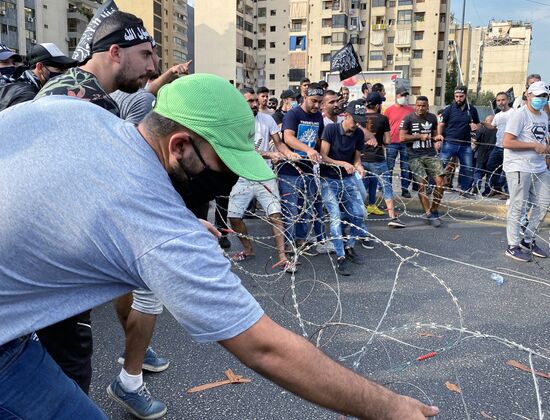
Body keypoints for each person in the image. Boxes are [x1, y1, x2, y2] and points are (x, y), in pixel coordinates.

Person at [0, 73, 439, 420]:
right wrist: (390, 408)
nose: (228, 180)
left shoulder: (81, 115)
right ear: (180, 145)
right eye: (223, 165)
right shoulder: (158, 227)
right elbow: (264, 348)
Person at [35, 11, 171, 419]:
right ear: (115, 52)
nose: (152, 67)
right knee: (70, 372)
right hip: (55, 259)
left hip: (42, 251)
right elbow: (105, 190)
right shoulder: (93, 103)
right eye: (146, 55)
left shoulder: (61, 88)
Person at [228, 88, 299, 273]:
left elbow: (279, 142)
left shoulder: (267, 120)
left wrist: (288, 153)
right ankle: (248, 249)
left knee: (275, 215)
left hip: (265, 175)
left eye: (254, 101)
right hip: (242, 176)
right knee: (234, 217)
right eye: (249, 101)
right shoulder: (234, 124)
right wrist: (269, 153)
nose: (254, 104)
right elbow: (242, 151)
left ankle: (282, 257)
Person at [319, 99, 368, 276]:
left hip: (347, 179)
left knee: (359, 213)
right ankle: (340, 256)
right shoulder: (331, 129)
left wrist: (359, 166)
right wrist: (342, 163)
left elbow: (356, 159)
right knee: (335, 216)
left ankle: (350, 246)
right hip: (328, 179)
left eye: (360, 121)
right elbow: (323, 156)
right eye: (354, 120)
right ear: (346, 116)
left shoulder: (358, 134)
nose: (356, 124)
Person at [502, 81, 550, 262]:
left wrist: (545, 148)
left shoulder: (544, 115)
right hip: (519, 167)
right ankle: (512, 245)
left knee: (543, 203)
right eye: (537, 96)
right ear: (528, 95)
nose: (540, 99)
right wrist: (533, 146)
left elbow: (542, 137)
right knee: (519, 206)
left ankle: (527, 240)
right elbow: (507, 142)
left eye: (544, 96)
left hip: (539, 166)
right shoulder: (519, 115)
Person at [278, 82, 327, 255]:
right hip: (289, 170)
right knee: (290, 209)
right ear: (305, 97)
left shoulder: (318, 116)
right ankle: (289, 244)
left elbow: (319, 139)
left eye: (320, 102)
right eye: (313, 101)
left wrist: (322, 155)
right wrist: (308, 150)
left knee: (304, 208)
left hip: (308, 169)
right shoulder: (293, 114)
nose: (317, 105)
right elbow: (288, 137)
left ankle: (300, 239)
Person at [361, 92, 406, 228]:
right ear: (377, 105)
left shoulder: (359, 118)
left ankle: (358, 214)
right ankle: (392, 217)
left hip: (361, 158)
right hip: (377, 158)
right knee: (386, 186)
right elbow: (387, 140)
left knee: (360, 187)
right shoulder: (382, 119)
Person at [400, 96, 445, 227]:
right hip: (414, 156)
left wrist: (438, 137)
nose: (420, 108)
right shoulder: (408, 118)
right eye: (418, 105)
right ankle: (428, 213)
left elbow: (435, 133)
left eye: (423, 106)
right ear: (415, 105)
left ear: (427, 106)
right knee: (422, 184)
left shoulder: (432, 117)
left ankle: (434, 210)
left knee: (441, 183)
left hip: (431, 154)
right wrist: (419, 136)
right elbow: (402, 137)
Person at [0, 43, 77, 110]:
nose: (64, 74)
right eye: (59, 69)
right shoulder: (28, 96)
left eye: (66, 70)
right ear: (40, 67)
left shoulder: (38, 89)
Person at [436, 86, 480, 197]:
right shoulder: (449, 109)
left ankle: (465, 191)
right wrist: (439, 135)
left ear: (466, 96)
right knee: (440, 166)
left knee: (468, 168)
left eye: (461, 96)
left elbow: (478, 124)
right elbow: (441, 124)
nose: (458, 99)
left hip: (465, 145)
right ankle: (432, 187)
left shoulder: (472, 109)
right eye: (456, 96)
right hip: (449, 143)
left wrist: (476, 126)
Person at [384, 86, 414, 198]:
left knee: (405, 167)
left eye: (406, 95)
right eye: (402, 95)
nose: (404, 97)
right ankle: (387, 188)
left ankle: (405, 189)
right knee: (389, 167)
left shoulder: (411, 110)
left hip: (405, 142)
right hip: (392, 142)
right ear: (397, 95)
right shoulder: (389, 110)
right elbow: (384, 126)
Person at [486, 91, 514, 197]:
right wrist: (482, 123)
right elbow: (493, 127)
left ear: (508, 101)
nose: (501, 102)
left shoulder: (514, 113)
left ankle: (508, 192)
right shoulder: (497, 115)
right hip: (498, 146)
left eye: (503, 100)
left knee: (508, 170)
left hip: (509, 148)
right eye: (498, 100)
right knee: (490, 166)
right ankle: (496, 188)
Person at [472, 115, 497, 196]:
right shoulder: (497, 130)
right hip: (492, 153)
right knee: (490, 173)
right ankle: (487, 190)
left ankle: (477, 185)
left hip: (482, 152)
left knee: (478, 171)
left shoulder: (482, 129)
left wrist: (473, 141)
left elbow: (476, 140)